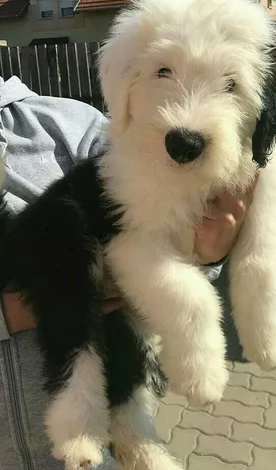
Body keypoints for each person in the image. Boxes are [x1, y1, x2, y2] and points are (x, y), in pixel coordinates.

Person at [0, 75, 256, 470]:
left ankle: (133, 434)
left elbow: (160, 249)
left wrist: (206, 254)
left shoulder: (69, 125)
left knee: (129, 325)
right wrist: (11, 314)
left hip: (98, 450)